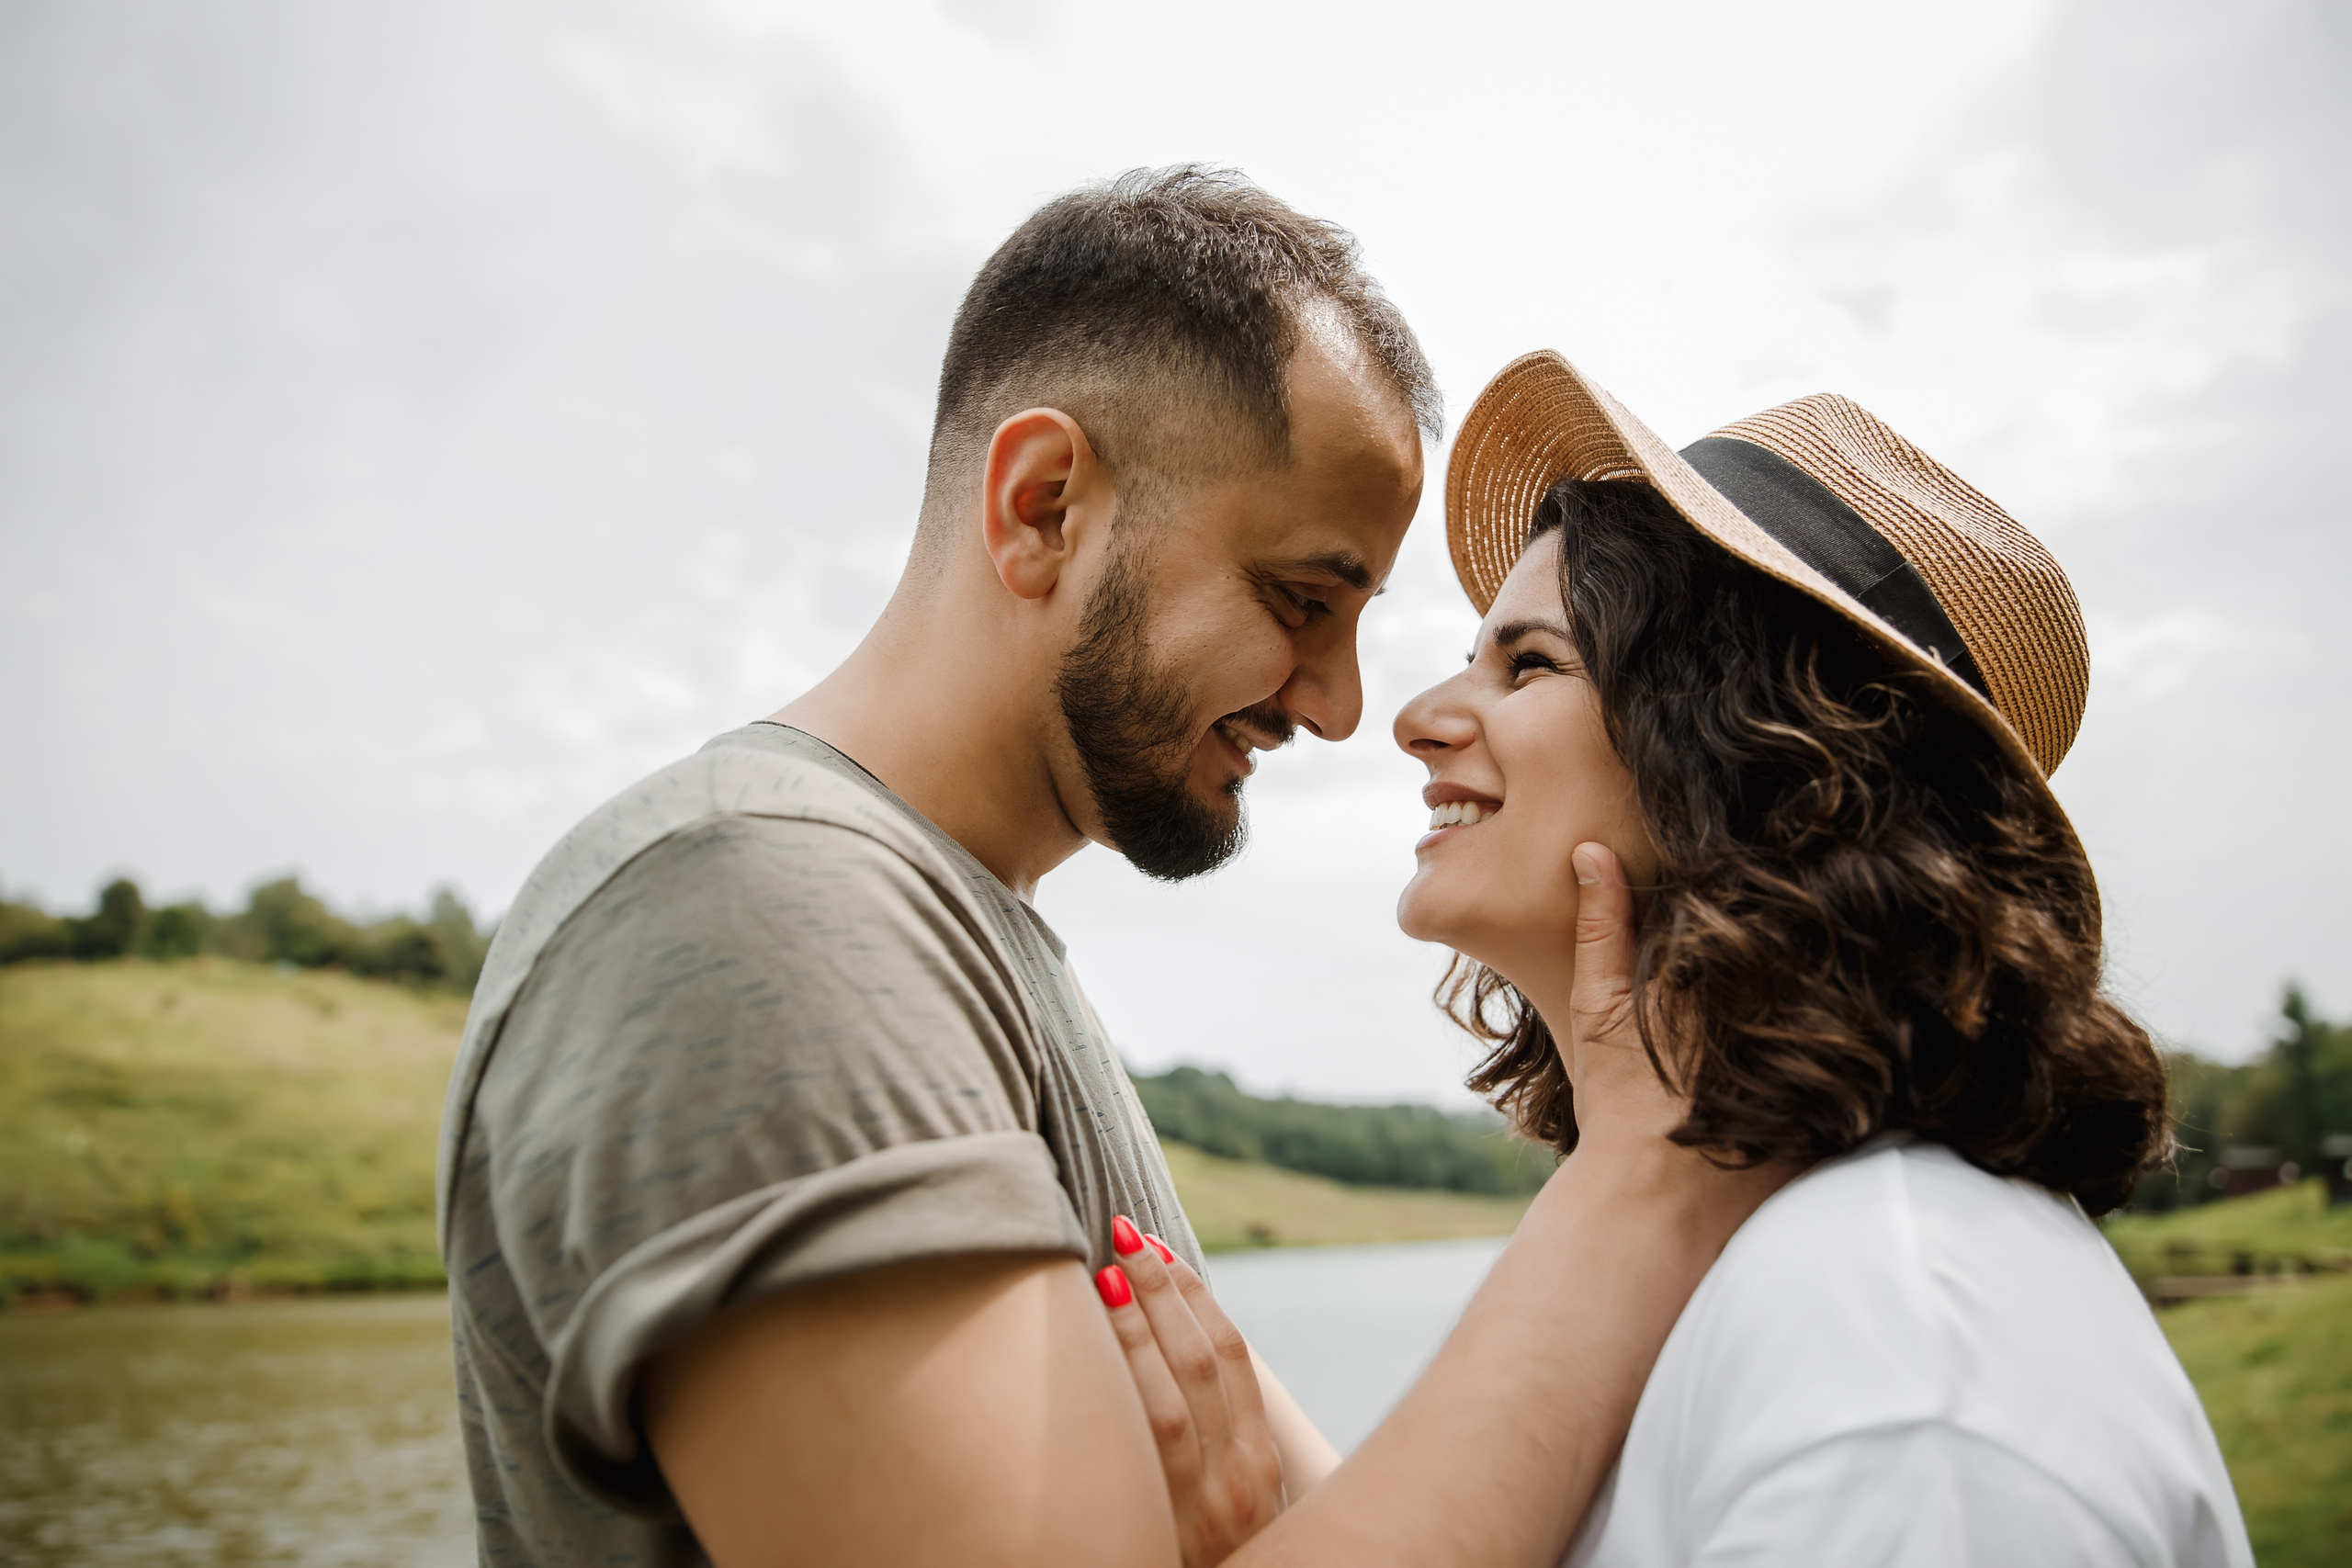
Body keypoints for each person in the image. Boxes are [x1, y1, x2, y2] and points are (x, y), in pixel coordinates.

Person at [435, 172, 1778, 1568]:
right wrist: (1637, 1184)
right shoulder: (768, 913)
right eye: (1300, 601)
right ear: (1042, 505)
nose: (1336, 704)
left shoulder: (948, 939)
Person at [1102, 353, 2254, 1566]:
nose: (1416, 715)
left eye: (1530, 663)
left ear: (1756, 768)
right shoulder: (1716, 1270)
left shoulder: (1893, 1370)